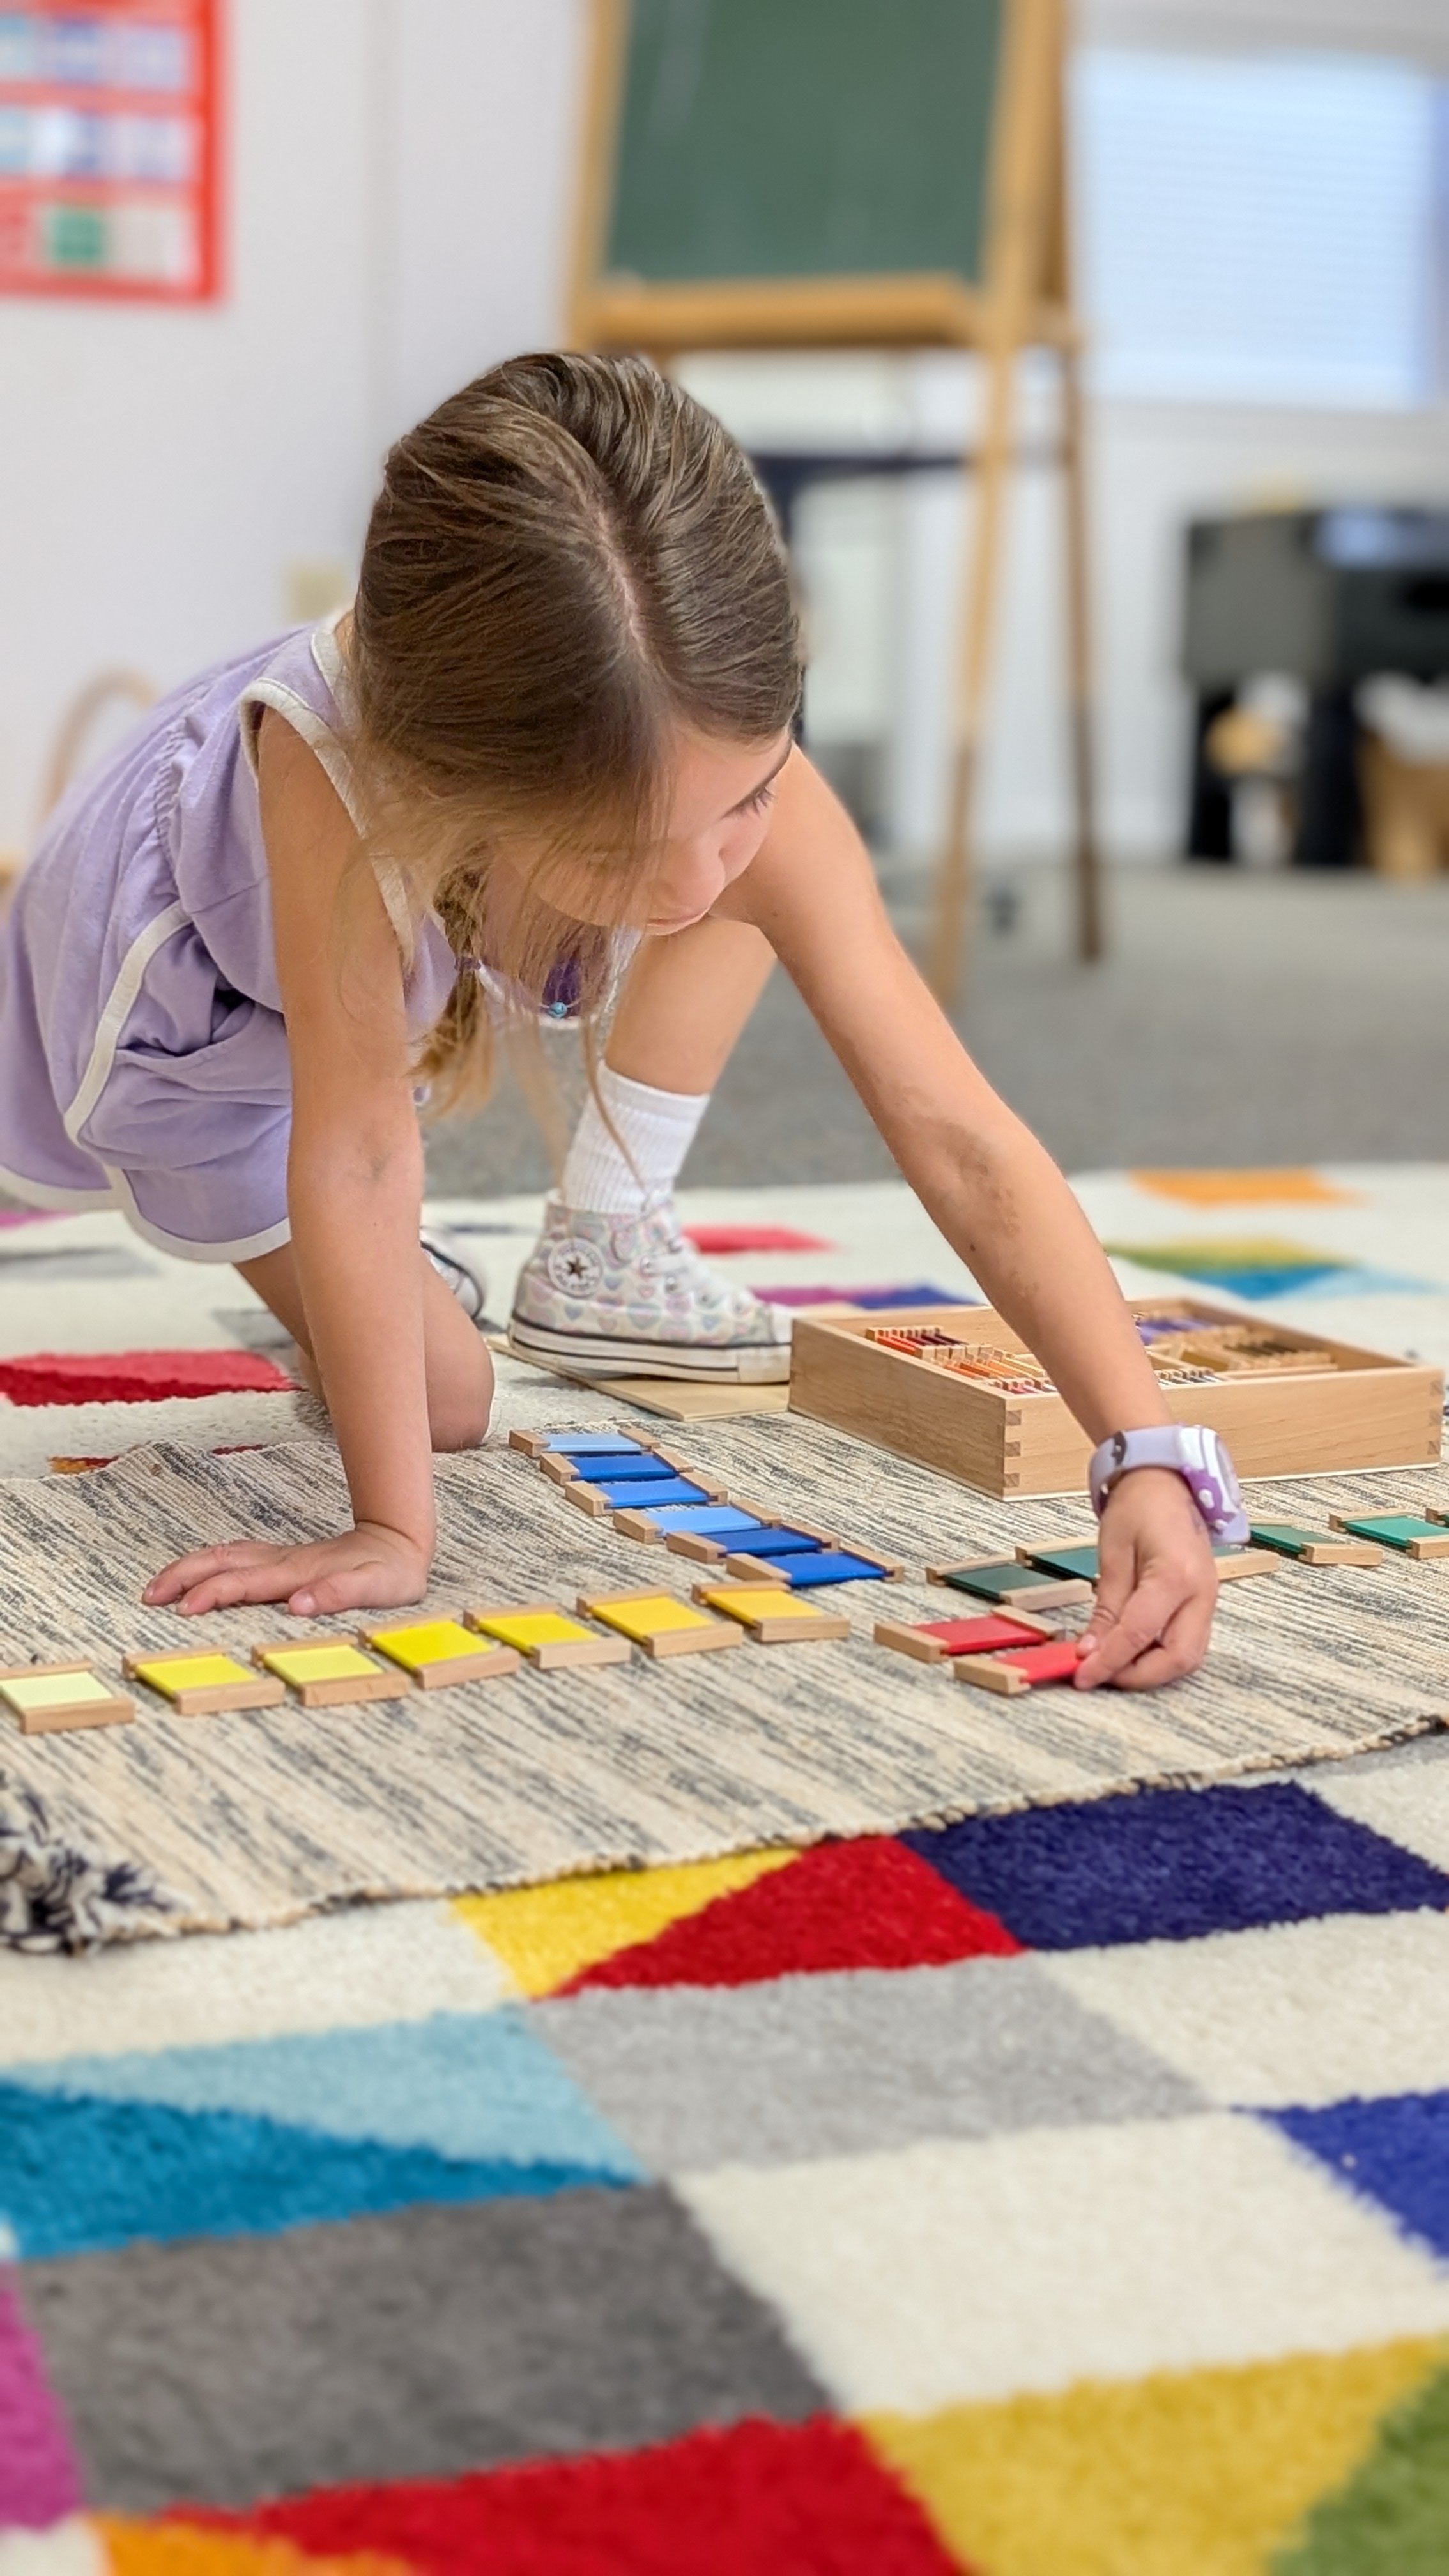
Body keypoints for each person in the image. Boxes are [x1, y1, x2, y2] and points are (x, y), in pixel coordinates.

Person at [0, 353, 1222, 1689]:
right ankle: (381, 1289)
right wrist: (391, 1529)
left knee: (742, 880)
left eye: (746, 796)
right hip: (189, 1019)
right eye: (630, 851)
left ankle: (602, 1243)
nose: (703, 881)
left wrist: (1143, 1450)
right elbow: (352, 1146)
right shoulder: (328, 775)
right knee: (447, 1402)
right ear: (460, 797)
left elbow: (958, 1132)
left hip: (408, 920)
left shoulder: (701, 751)